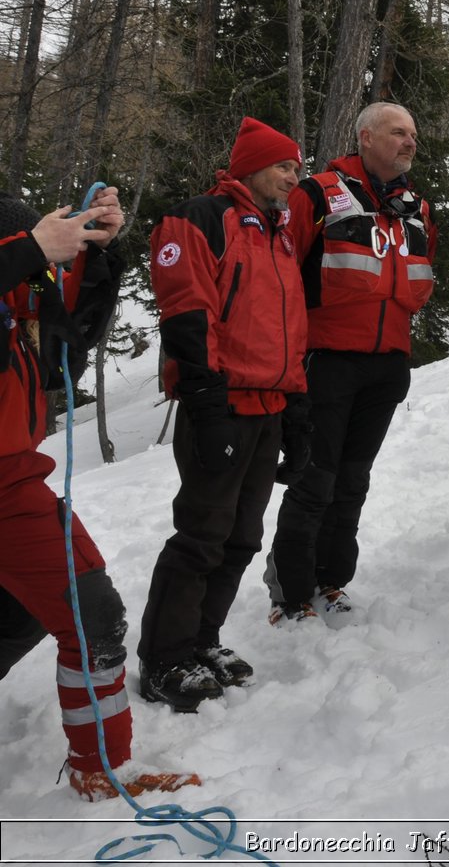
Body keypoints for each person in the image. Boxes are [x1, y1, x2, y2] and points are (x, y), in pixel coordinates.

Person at [0, 190, 200, 798]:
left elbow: (66, 346)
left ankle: (100, 766)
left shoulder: (18, 291)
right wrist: (31, 248)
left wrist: (92, 253)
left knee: (84, 612)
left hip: (12, 481)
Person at [141, 117, 308, 710]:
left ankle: (201, 642)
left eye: (296, 166)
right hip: (222, 405)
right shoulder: (201, 218)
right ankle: (163, 658)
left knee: (241, 538)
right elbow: (188, 311)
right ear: (252, 166)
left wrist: (296, 410)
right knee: (201, 536)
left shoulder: (278, 231)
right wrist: (207, 405)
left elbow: (286, 329)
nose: (294, 175)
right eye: (285, 165)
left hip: (267, 407)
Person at [264, 102, 437, 626]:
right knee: (315, 479)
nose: (410, 142)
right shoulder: (317, 192)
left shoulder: (416, 205)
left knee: (352, 481)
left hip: (387, 366)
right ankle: (290, 593)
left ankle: (331, 579)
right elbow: (280, 276)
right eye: (397, 132)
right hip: (326, 360)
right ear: (365, 137)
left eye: (413, 133)